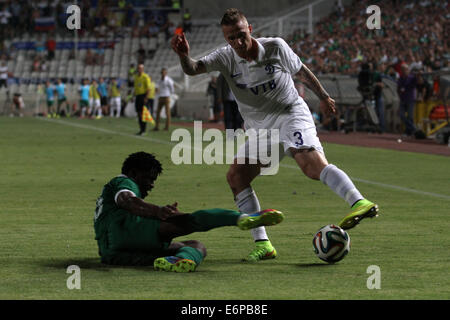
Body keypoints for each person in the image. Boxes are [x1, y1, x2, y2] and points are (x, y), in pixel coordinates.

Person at [171, 8, 379, 262]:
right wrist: (184, 55)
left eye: (240, 35)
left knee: (309, 164)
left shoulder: (275, 47)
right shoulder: (226, 57)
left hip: (290, 113)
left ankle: (358, 202)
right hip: (260, 128)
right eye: (231, 38)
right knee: (236, 176)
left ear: (250, 30)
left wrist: (323, 96)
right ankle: (264, 245)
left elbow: (301, 72)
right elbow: (193, 69)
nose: (237, 42)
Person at [93, 151, 284, 271]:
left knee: (196, 246)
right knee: (186, 221)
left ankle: (181, 261)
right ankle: (241, 218)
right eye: (149, 178)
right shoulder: (122, 182)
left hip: (111, 254)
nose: (151, 185)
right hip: (122, 231)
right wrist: (159, 211)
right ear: (134, 173)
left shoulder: (109, 195)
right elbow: (127, 201)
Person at [397, 64, 417, 136]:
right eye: (402, 69)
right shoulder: (401, 78)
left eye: (405, 69)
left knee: (410, 116)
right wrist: (399, 94)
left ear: (408, 70)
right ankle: (412, 128)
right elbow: (398, 88)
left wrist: (418, 75)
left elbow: (417, 82)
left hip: (410, 99)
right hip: (403, 99)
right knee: (401, 115)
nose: (404, 71)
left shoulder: (412, 78)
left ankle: (409, 131)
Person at [133, 64, 152, 135]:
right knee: (138, 113)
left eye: (140, 68)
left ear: (143, 69)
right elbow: (136, 88)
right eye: (138, 68)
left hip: (143, 96)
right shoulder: (136, 77)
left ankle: (143, 130)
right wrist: (133, 96)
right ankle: (141, 129)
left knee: (143, 114)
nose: (139, 69)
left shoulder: (145, 77)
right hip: (138, 96)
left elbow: (148, 89)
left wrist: (146, 98)